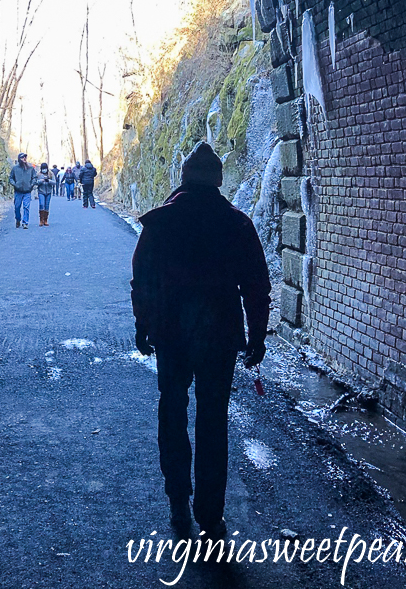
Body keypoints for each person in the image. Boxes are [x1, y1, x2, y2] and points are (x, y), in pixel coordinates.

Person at [130, 141, 271, 537]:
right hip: (220, 336)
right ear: (219, 182)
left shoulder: (160, 223)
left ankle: (178, 502)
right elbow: (256, 286)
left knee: (172, 413)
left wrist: (143, 325)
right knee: (213, 421)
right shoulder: (238, 224)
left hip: (172, 335)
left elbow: (143, 280)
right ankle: (210, 514)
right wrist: (256, 336)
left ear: (183, 178)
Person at [9, 152, 35, 229]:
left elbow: (34, 177)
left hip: (27, 191)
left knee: (26, 207)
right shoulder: (15, 168)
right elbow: (11, 178)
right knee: (17, 207)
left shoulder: (30, 168)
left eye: (25, 157)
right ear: (19, 159)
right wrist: (15, 184)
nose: (24, 159)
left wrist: (31, 184)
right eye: (22, 157)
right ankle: (18, 219)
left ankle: (25, 223)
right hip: (18, 191)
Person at [35, 162, 56, 226]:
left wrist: (48, 181)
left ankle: (45, 220)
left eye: (45, 168)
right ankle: (41, 220)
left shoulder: (51, 174)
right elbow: (35, 182)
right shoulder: (38, 174)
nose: (44, 170)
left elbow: (54, 182)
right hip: (41, 191)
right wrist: (41, 181)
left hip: (48, 191)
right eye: (43, 168)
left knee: (47, 205)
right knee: (41, 204)